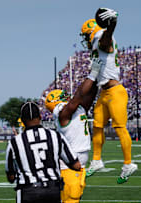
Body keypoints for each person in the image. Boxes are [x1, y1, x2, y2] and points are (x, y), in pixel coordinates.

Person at [80, 7, 137, 183]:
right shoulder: (98, 40)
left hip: (115, 91)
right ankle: (96, 160)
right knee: (97, 126)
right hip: (104, 92)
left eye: (85, 35)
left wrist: (112, 24)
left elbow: (106, 41)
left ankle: (128, 164)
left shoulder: (101, 37)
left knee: (119, 127)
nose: (84, 39)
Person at [44, 59, 100, 203]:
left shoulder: (76, 110)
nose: (67, 97)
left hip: (78, 165)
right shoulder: (64, 114)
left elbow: (90, 95)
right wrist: (93, 74)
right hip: (68, 167)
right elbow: (78, 96)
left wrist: (98, 78)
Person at [5, 102, 81, 203]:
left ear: (22, 120)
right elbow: (76, 165)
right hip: (52, 190)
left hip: (28, 191)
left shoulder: (14, 142)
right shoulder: (55, 136)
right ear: (40, 117)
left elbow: (11, 177)